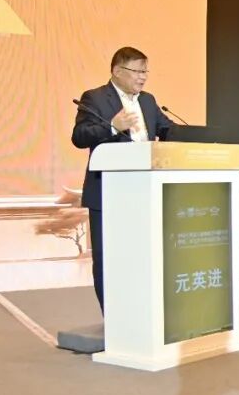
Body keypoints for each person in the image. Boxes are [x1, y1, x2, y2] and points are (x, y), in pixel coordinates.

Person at [71, 47, 173, 311]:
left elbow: (167, 129)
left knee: (141, 255)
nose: (143, 77)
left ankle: (140, 312)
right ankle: (113, 318)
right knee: (108, 259)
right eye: (138, 71)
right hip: (108, 192)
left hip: (145, 192)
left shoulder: (148, 100)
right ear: (117, 71)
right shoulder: (94, 98)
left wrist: (196, 138)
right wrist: (112, 126)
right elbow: (79, 137)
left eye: (145, 71)